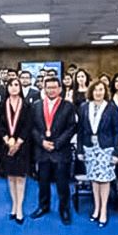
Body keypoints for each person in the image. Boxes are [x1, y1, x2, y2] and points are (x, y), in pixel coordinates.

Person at [31, 76, 77, 225]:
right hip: (42, 150)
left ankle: (64, 209)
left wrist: (56, 144)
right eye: (48, 87)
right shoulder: (36, 105)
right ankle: (43, 206)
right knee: (42, 182)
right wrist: (42, 142)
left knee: (62, 183)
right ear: (44, 89)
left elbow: (72, 128)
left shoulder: (68, 106)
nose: (51, 90)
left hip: (61, 151)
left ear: (60, 89)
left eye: (54, 87)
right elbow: (32, 128)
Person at [77, 80, 118, 227]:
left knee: (104, 180)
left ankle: (103, 211)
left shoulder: (111, 108)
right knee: (94, 179)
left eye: (101, 89)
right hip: (89, 148)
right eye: (95, 90)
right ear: (91, 92)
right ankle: (96, 207)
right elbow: (80, 130)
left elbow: (117, 132)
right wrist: (80, 150)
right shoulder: (84, 107)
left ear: (105, 91)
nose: (98, 92)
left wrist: (116, 153)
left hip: (106, 148)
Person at [0, 78, 33, 223]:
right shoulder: (1, 105)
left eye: (16, 85)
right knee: (10, 177)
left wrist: (18, 142)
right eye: (11, 85)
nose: (14, 87)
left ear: (20, 87)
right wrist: (6, 139)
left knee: (20, 177)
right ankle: (14, 206)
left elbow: (28, 125)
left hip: (22, 146)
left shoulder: (27, 105)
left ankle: (20, 208)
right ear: (7, 88)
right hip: (6, 145)